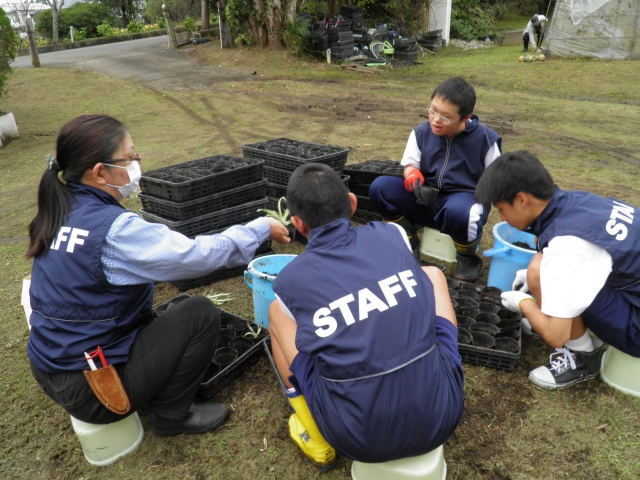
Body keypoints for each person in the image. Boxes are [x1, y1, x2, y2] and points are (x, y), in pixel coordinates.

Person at [26, 114, 289, 435]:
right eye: (130, 156)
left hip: (51, 366)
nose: (137, 162)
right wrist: (259, 228)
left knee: (161, 315)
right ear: (99, 172)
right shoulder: (114, 230)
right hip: (93, 389)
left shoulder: (61, 209)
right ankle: (171, 415)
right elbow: (195, 257)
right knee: (200, 314)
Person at [268, 163, 464, 468]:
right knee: (434, 275)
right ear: (352, 203)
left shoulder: (289, 281)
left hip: (355, 438)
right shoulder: (393, 233)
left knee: (276, 313)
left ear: (297, 223)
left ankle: (314, 433)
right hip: (442, 415)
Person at [475, 150, 640, 390]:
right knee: (541, 267)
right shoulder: (579, 202)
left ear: (522, 199)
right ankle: (556, 317)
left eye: (501, 209)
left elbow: (555, 336)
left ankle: (582, 357)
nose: (502, 217)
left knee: (539, 268)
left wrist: (523, 303)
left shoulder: (569, 245)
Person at [369, 77, 502, 282]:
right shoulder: (421, 132)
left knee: (462, 212)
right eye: (433, 110)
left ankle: (467, 257)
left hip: (463, 202)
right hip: (426, 198)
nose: (436, 119)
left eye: (446, 117)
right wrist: (412, 175)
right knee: (380, 188)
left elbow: (497, 181)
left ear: (465, 117)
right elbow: (410, 164)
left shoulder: (486, 139)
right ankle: (409, 243)